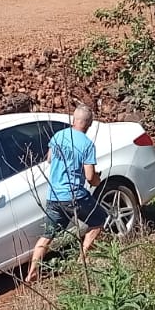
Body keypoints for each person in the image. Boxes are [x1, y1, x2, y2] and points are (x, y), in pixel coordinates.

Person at [25, 103, 108, 283]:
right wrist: (97, 181)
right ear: (89, 124)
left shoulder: (58, 136)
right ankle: (82, 260)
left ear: (73, 120)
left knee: (47, 235)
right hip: (74, 196)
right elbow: (89, 176)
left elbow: (49, 158)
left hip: (54, 197)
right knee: (100, 220)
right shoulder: (87, 144)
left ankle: (32, 272)